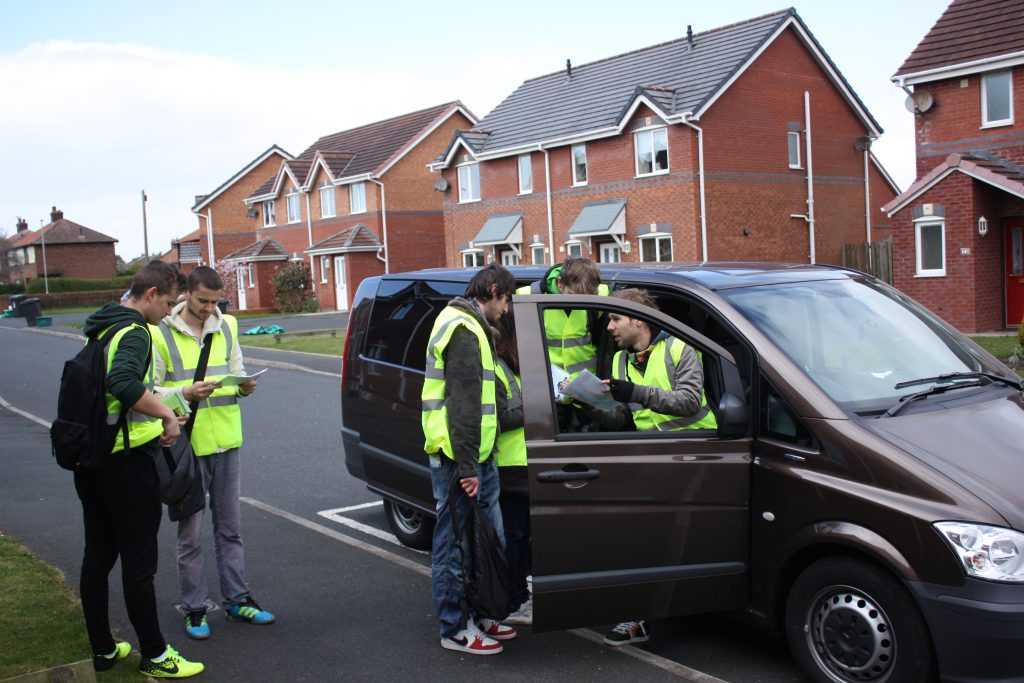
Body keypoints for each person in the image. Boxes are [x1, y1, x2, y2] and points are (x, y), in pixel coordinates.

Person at [77, 261, 205, 678]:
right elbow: (124, 384)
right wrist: (167, 416)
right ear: (151, 295)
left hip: (92, 459)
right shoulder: (135, 331)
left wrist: (160, 406)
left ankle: (103, 648)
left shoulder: (103, 326)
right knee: (140, 564)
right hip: (127, 464)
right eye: (168, 303)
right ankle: (155, 654)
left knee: (98, 555)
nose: (168, 313)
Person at [150, 266, 273, 640]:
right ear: (187, 293)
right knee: (190, 534)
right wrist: (186, 393)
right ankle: (195, 607)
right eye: (202, 301)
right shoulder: (161, 332)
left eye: (214, 302)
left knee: (230, 529)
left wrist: (244, 387)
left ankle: (238, 599)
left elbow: (236, 372)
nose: (208, 309)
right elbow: (149, 391)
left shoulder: (228, 326)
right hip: (187, 447)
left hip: (227, 440)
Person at [598, 287, 717, 647]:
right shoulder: (620, 360)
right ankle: (642, 614)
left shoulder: (680, 349)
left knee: (676, 541)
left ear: (638, 320)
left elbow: (688, 401)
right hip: (650, 457)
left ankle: (667, 613)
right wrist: (590, 402)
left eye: (615, 318)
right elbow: (625, 415)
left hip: (695, 455)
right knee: (642, 539)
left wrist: (633, 393)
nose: (609, 327)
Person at [422, 263, 517, 655]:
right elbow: (463, 406)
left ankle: (480, 614)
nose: (506, 309)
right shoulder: (462, 329)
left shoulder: (471, 325)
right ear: (492, 291)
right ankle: (456, 627)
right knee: (455, 545)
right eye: (506, 300)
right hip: (458, 459)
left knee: (480, 542)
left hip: (477, 455)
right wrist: (467, 468)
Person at [492, 310, 532, 626]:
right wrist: (536, 406)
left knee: (522, 537)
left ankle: (520, 595)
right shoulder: (497, 369)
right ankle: (515, 600)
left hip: (525, 465)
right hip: (509, 467)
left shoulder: (517, 369)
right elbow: (500, 418)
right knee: (514, 538)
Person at [515, 257, 609, 381]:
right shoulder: (527, 298)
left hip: (586, 387)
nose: (579, 304)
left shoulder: (601, 298)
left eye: (585, 299)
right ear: (560, 283)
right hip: (547, 387)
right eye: (573, 296)